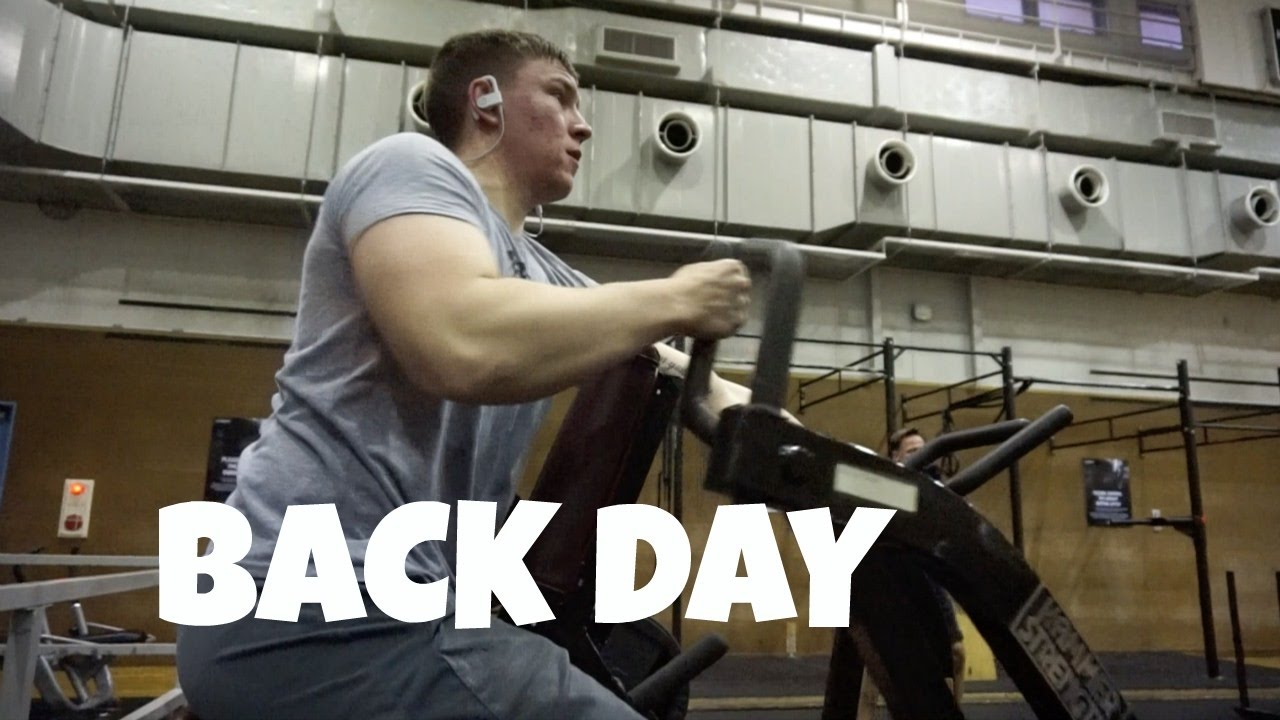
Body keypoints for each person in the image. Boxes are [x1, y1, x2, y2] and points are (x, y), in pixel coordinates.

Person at [175, 30, 757, 720]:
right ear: (485, 100)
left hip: (407, 610)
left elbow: (688, 376)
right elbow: (458, 342)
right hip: (312, 605)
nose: (583, 124)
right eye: (560, 96)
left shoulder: (542, 275)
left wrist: (830, 461)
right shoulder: (408, 165)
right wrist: (677, 297)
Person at [854, 427, 967, 719]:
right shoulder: (885, 486)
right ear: (897, 457)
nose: (923, 456)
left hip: (930, 584)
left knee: (955, 653)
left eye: (924, 450)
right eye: (913, 451)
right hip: (892, 585)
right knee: (877, 668)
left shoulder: (935, 488)